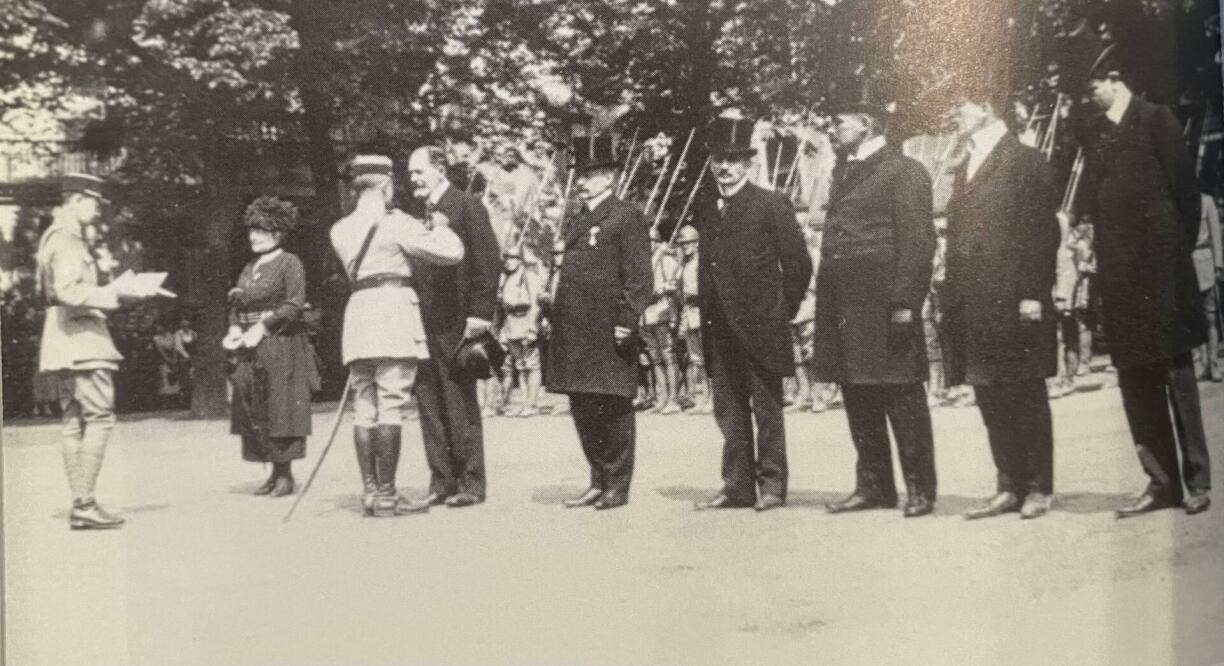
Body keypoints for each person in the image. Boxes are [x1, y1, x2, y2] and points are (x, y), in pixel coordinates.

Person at [1080, 50, 1212, 516]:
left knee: (1177, 380)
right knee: (1135, 383)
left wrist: (1171, 260)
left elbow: (1187, 198)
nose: (1089, 97)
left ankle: (1197, 480)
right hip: (1120, 281)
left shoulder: (1158, 120)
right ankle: (1161, 482)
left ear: (1114, 79)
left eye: (1092, 87)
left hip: (1161, 276)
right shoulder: (1095, 134)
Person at [942, 77, 1061, 521]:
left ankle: (1038, 487)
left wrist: (1033, 292)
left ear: (989, 106)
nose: (955, 113)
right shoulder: (964, 165)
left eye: (963, 104)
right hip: (974, 301)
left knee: (1026, 392)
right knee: (990, 394)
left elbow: (1042, 233)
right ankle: (1008, 484)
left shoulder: (1025, 160)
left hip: (1015, 300)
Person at [814, 101, 939, 518]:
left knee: (902, 395)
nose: (831, 129)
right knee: (858, 394)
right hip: (847, 307)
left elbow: (919, 243)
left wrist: (906, 302)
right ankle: (874, 486)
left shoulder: (904, 170)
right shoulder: (843, 170)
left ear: (866, 125)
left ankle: (920, 488)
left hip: (886, 305)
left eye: (838, 120)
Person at [330, 153, 466, 516]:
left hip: (358, 316)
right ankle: (389, 494)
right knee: (391, 403)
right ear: (386, 185)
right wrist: (439, 225)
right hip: (392, 315)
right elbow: (452, 253)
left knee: (364, 404)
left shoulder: (339, 229)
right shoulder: (398, 223)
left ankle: (370, 492)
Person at [693, 114, 813, 512]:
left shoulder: (770, 204)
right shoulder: (708, 209)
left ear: (748, 164)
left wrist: (780, 311)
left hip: (761, 327)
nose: (724, 168)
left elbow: (798, 266)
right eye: (717, 160)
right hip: (719, 327)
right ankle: (737, 486)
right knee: (728, 411)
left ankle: (773, 486)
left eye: (732, 160)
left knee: (767, 410)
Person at [36, 173, 161, 529]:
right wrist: (117, 294)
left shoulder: (53, 238)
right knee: (99, 419)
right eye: (93, 203)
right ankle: (86, 504)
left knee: (73, 422)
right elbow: (68, 291)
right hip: (83, 342)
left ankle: (82, 502)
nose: (97, 211)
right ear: (76, 201)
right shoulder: (69, 241)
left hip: (62, 342)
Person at [545, 132, 651, 510]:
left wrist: (628, 319)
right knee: (583, 405)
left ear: (609, 177)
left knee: (613, 406)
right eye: (581, 174)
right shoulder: (576, 218)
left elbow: (639, 275)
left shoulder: (626, 215)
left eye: (590, 174)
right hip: (574, 329)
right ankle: (597, 478)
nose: (582, 181)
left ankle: (617, 484)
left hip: (607, 328)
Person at [407, 145, 502, 508]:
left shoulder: (466, 205)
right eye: (410, 173)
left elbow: (487, 260)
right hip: (425, 321)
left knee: (459, 398)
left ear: (439, 170)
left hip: (458, 320)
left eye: (419, 171)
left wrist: (480, 313)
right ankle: (441, 480)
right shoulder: (422, 213)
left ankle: (471, 483)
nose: (413, 178)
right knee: (428, 398)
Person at [225, 196, 319, 497]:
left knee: (282, 407)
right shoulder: (249, 267)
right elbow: (236, 306)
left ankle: (285, 475)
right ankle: (270, 471)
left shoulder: (290, 263)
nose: (254, 236)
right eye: (252, 230)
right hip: (250, 349)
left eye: (262, 231)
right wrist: (234, 329)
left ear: (278, 233)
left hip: (282, 343)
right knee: (255, 406)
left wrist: (263, 327)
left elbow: (293, 305)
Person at [495, 245, 545, 417]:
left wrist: (532, 328)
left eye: (514, 258)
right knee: (520, 365)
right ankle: (525, 402)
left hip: (525, 320)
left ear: (520, 260)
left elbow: (535, 305)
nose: (509, 261)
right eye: (507, 258)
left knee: (531, 364)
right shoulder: (506, 278)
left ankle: (532, 404)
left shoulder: (528, 276)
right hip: (511, 324)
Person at [641, 230, 682, 415]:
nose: (648, 244)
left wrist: (673, 315)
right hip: (645, 315)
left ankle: (673, 398)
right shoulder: (641, 261)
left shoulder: (665, 260)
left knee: (668, 355)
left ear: (658, 242)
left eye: (651, 240)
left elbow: (676, 284)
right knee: (654, 358)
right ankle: (662, 398)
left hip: (661, 311)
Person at [674, 224, 711, 414]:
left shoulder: (701, 263)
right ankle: (702, 397)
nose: (685, 246)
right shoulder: (685, 264)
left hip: (701, 310)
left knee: (707, 356)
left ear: (697, 243)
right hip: (689, 312)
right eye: (682, 243)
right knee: (697, 358)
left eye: (689, 243)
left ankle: (711, 397)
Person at [1193, 192, 1222, 382]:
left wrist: (1218, 264)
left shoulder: (1207, 201)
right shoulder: (1182, 199)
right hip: (1188, 267)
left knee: (1210, 317)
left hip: (1205, 263)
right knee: (1196, 319)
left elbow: (1216, 236)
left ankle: (1213, 363)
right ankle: (1203, 364)